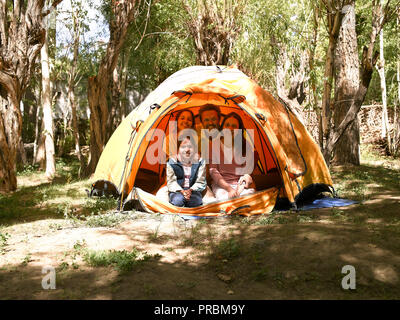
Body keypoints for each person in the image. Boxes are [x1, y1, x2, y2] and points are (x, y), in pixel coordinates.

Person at [209, 112, 259, 200]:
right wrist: (229, 189)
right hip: (221, 184)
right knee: (225, 199)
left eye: (234, 126)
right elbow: (213, 171)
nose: (230, 128)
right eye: (227, 125)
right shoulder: (213, 145)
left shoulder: (245, 145)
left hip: (240, 182)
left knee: (248, 197)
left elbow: (247, 171)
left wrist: (240, 188)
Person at [167, 135, 206, 207]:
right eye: (183, 147)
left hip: (193, 190)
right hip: (177, 190)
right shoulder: (172, 162)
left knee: (195, 202)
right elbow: (171, 182)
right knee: (177, 201)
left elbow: (201, 181)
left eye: (190, 147)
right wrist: (181, 191)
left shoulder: (200, 162)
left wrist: (190, 190)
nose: (187, 150)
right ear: (178, 149)